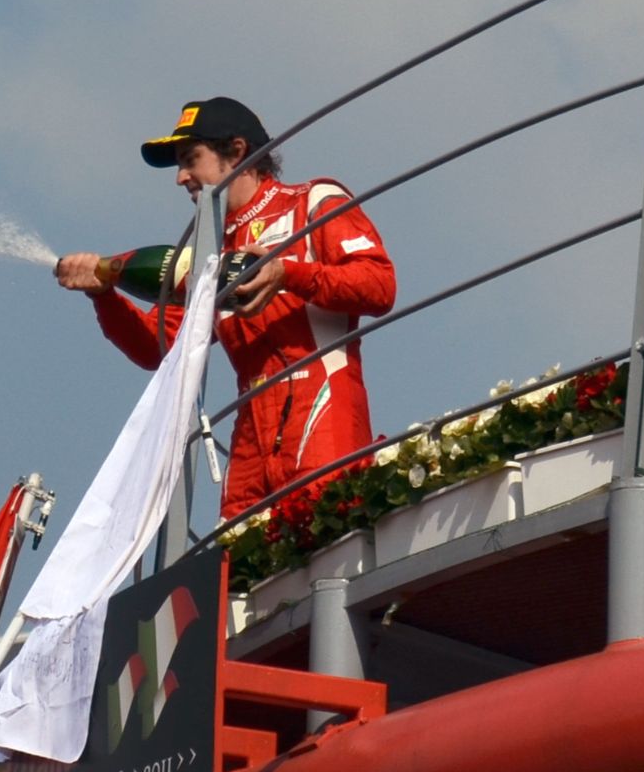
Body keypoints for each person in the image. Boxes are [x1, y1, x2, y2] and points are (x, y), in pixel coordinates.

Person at [54, 96, 396, 520]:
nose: (180, 177)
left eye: (190, 159)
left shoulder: (313, 200)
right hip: (250, 433)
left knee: (328, 538)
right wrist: (104, 296)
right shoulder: (206, 252)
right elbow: (158, 347)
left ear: (236, 151)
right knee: (239, 555)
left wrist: (287, 274)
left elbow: (379, 286)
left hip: (322, 413)